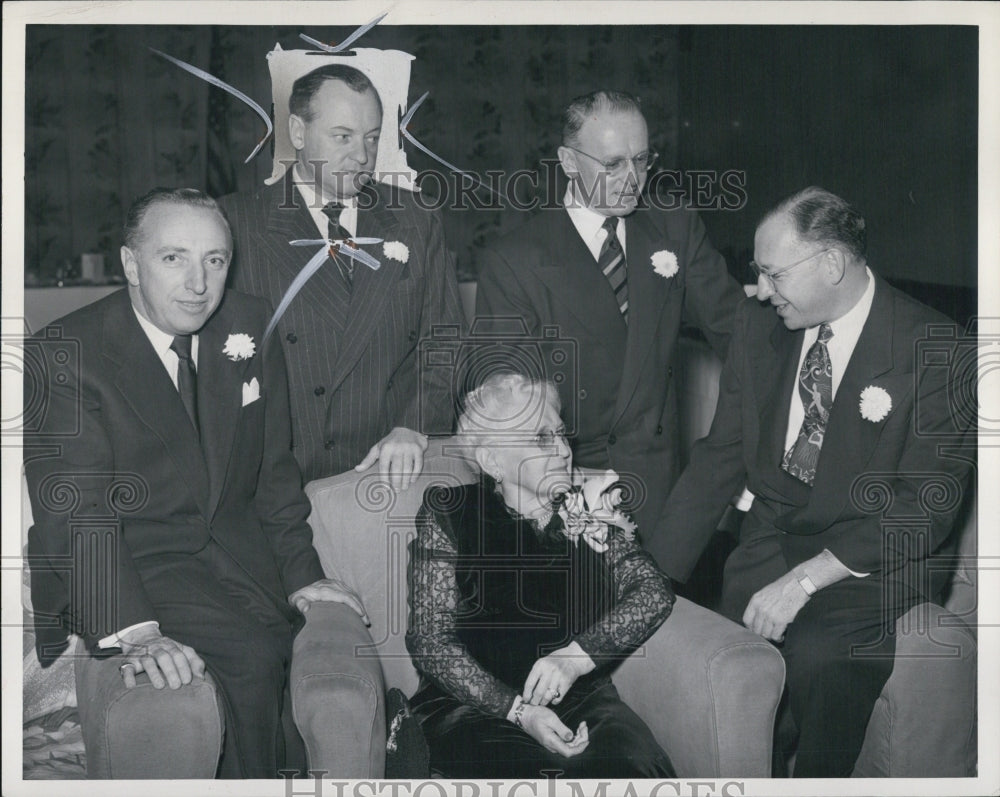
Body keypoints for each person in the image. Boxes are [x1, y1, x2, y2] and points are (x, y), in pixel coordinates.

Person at [24, 188, 368, 778]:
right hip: (137, 561)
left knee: (306, 649)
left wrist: (304, 576)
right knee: (254, 659)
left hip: (239, 557)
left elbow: (272, 472)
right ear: (131, 264)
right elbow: (78, 514)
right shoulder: (65, 353)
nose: (198, 284)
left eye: (214, 260)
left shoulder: (249, 322)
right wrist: (136, 632)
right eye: (173, 258)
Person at [647, 187, 975, 776]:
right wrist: (654, 574)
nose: (762, 291)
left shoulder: (937, 348)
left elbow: (926, 507)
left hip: (875, 556)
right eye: (758, 273)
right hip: (774, 533)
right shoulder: (758, 328)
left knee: (822, 656)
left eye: (774, 274)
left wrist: (802, 582)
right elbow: (721, 455)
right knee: (724, 659)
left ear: (832, 263)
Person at [475, 89, 744, 537]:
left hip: (660, 488)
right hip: (567, 491)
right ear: (567, 161)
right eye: (613, 163)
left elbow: (738, 331)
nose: (632, 179)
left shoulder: (675, 226)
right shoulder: (515, 260)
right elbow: (512, 406)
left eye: (642, 160)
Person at [405, 372, 675, 778]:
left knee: (632, 770)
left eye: (562, 435)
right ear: (493, 461)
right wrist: (517, 711)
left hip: (584, 702)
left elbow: (653, 592)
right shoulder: (450, 513)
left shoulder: (593, 504)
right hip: (472, 707)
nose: (564, 450)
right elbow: (429, 640)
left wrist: (574, 658)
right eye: (541, 438)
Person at [220, 64, 464, 491]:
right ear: (297, 132)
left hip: (389, 469)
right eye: (343, 137)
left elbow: (444, 340)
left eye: (372, 137)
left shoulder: (415, 218)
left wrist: (415, 426)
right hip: (282, 480)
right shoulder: (235, 222)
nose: (362, 156)